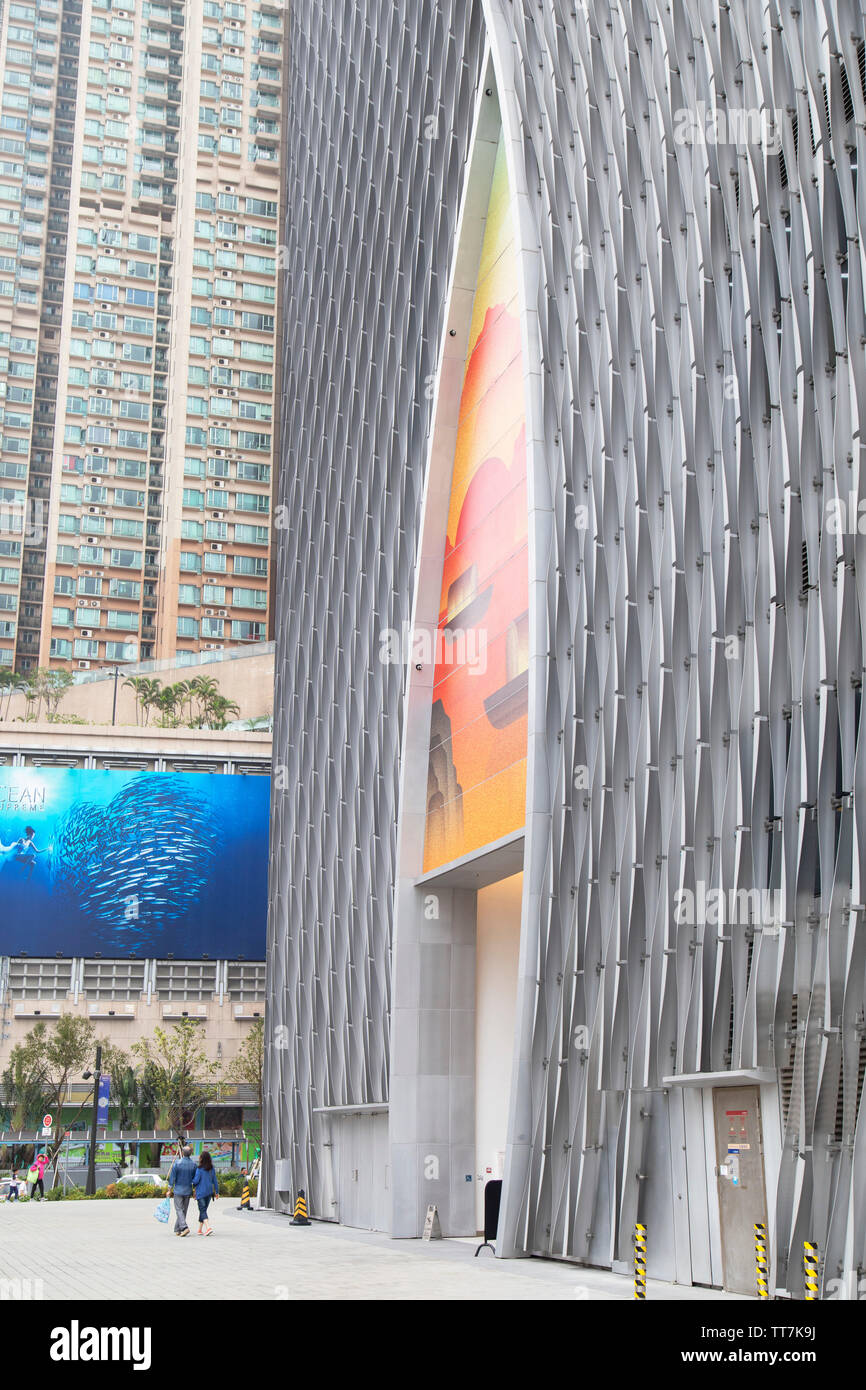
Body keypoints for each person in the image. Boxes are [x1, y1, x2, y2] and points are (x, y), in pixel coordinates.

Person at [167, 1144, 197, 1236]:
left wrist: (169, 1189)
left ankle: (184, 1227)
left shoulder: (177, 1163)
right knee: (183, 1210)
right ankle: (177, 1229)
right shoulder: (194, 1165)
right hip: (188, 1190)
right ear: (190, 1154)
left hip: (178, 1190)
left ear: (183, 1153)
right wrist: (195, 1190)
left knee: (179, 1210)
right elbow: (195, 1179)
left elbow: (172, 1178)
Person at [192, 1151, 219, 1235]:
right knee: (203, 1210)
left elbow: (196, 1181)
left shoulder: (199, 1169)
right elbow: (215, 1181)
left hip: (201, 1193)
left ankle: (208, 1228)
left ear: (201, 1159)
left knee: (202, 1210)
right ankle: (200, 1229)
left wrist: (191, 1182)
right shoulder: (212, 1169)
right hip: (209, 1192)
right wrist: (217, 1192)